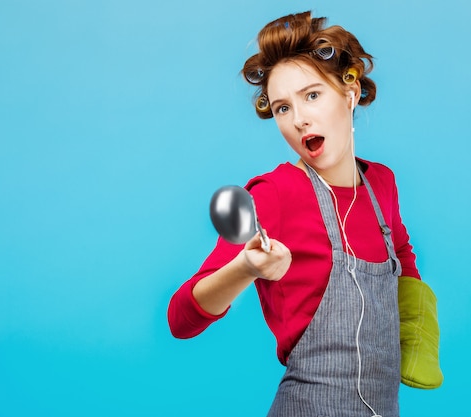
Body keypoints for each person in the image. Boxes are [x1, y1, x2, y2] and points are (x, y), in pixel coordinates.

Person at [168, 11, 442, 417]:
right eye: (282, 107)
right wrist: (246, 267)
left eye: (312, 95)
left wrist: (418, 337)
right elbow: (181, 318)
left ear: (349, 92)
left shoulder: (382, 184)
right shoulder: (275, 194)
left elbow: (401, 257)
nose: (299, 119)